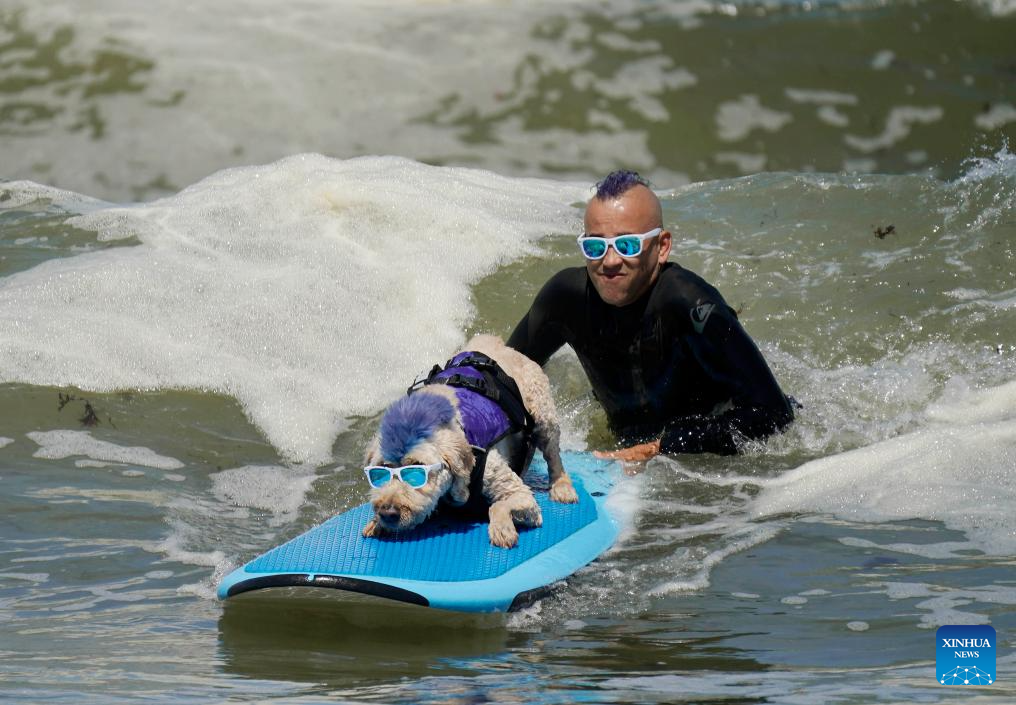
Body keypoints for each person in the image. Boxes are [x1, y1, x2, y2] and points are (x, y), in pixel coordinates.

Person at [506, 170, 794, 461]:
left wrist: (661, 448)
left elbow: (774, 413)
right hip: (628, 445)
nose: (609, 261)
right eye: (595, 246)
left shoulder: (690, 304)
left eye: (626, 245)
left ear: (662, 247)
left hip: (703, 462)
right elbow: (504, 370)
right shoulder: (565, 299)